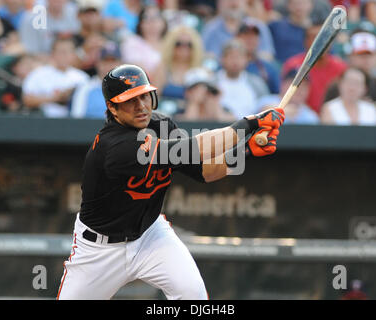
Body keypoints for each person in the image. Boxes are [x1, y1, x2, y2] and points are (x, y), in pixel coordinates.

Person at [56, 63, 285, 300]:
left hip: (149, 235)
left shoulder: (160, 124)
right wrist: (248, 124)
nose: (141, 106)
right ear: (112, 108)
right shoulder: (113, 146)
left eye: (144, 96)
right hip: (99, 249)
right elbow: (189, 150)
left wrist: (247, 150)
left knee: (192, 294)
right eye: (130, 100)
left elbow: (204, 171)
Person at [282, 23, 348, 114]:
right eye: (314, 37)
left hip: (332, 118)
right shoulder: (293, 64)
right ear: (305, 41)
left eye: (325, 37)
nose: (320, 42)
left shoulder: (341, 67)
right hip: (301, 117)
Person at [22, 37, 89, 117]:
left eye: (68, 51)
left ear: (74, 54)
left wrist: (71, 95)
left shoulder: (82, 77)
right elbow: (27, 100)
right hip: (44, 120)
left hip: (73, 121)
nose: (65, 55)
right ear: (52, 53)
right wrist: (55, 98)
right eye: (61, 52)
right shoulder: (38, 74)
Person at [201, 0, 275, 61]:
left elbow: (267, 56)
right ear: (219, 2)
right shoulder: (211, 29)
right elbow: (203, 56)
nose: (234, 3)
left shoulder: (258, 26)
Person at [216, 40, 269, 119]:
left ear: (246, 59)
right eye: (231, 57)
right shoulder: (213, 82)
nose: (235, 61)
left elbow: (266, 108)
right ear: (222, 59)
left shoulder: (257, 84)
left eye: (239, 57)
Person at [71, 42, 122, 118]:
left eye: (113, 61)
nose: (109, 66)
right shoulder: (85, 88)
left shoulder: (128, 89)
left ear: (120, 64)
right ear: (98, 64)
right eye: (105, 61)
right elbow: (76, 119)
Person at [154, 25, 205, 101]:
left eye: (189, 45)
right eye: (178, 44)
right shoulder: (163, 68)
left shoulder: (200, 71)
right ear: (171, 45)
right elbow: (154, 98)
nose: (183, 48)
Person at [120, 4, 167, 77]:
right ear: (140, 23)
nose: (152, 22)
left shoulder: (171, 42)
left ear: (164, 22)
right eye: (146, 18)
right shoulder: (132, 42)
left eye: (156, 17)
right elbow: (137, 71)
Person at [237, 17, 281, 94]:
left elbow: (277, 95)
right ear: (237, 37)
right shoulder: (226, 64)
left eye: (254, 36)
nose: (250, 39)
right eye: (246, 35)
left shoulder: (268, 68)